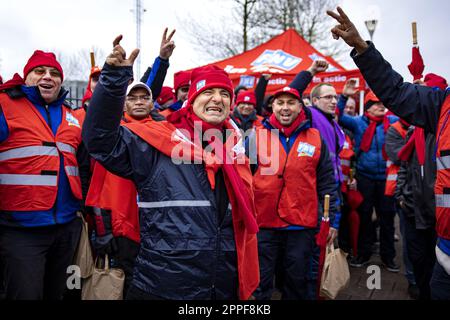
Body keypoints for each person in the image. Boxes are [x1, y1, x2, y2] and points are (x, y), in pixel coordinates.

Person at [83, 35, 259, 300]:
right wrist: (112, 82)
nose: (217, 99)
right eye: (207, 92)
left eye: (224, 93)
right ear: (191, 100)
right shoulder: (157, 141)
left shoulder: (238, 151)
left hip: (222, 285)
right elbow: (99, 141)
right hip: (163, 286)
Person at [327, 6, 450, 299]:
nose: (380, 109)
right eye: (375, 106)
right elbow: (396, 91)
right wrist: (362, 48)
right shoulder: (442, 105)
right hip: (444, 251)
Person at [0, 50, 89, 299]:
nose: (47, 77)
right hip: (20, 230)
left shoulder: (71, 116)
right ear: (26, 77)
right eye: (39, 71)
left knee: (57, 295)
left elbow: (82, 164)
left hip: (65, 227)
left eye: (54, 73)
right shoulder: (4, 104)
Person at [249, 86, 338, 300]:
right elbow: (244, 179)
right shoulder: (254, 136)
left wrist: (334, 220)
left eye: (291, 103)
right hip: (264, 224)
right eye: (280, 103)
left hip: (301, 225)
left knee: (297, 283)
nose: (285, 108)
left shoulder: (316, 138)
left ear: (300, 107)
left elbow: (327, 182)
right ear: (273, 106)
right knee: (260, 283)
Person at [86, 81, 160, 297]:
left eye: (144, 97)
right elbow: (99, 188)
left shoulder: (165, 133)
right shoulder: (113, 136)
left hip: (155, 227)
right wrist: (103, 231)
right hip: (122, 228)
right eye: (132, 98)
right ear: (124, 105)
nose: (138, 102)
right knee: (125, 285)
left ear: (152, 104)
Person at [336, 80, 399, 272]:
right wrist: (344, 96)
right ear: (369, 108)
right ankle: (363, 253)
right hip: (365, 177)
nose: (382, 107)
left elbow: (408, 115)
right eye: (377, 104)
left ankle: (389, 257)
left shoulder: (392, 122)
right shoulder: (358, 122)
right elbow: (337, 116)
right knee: (364, 216)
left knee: (387, 217)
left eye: (383, 104)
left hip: (387, 178)